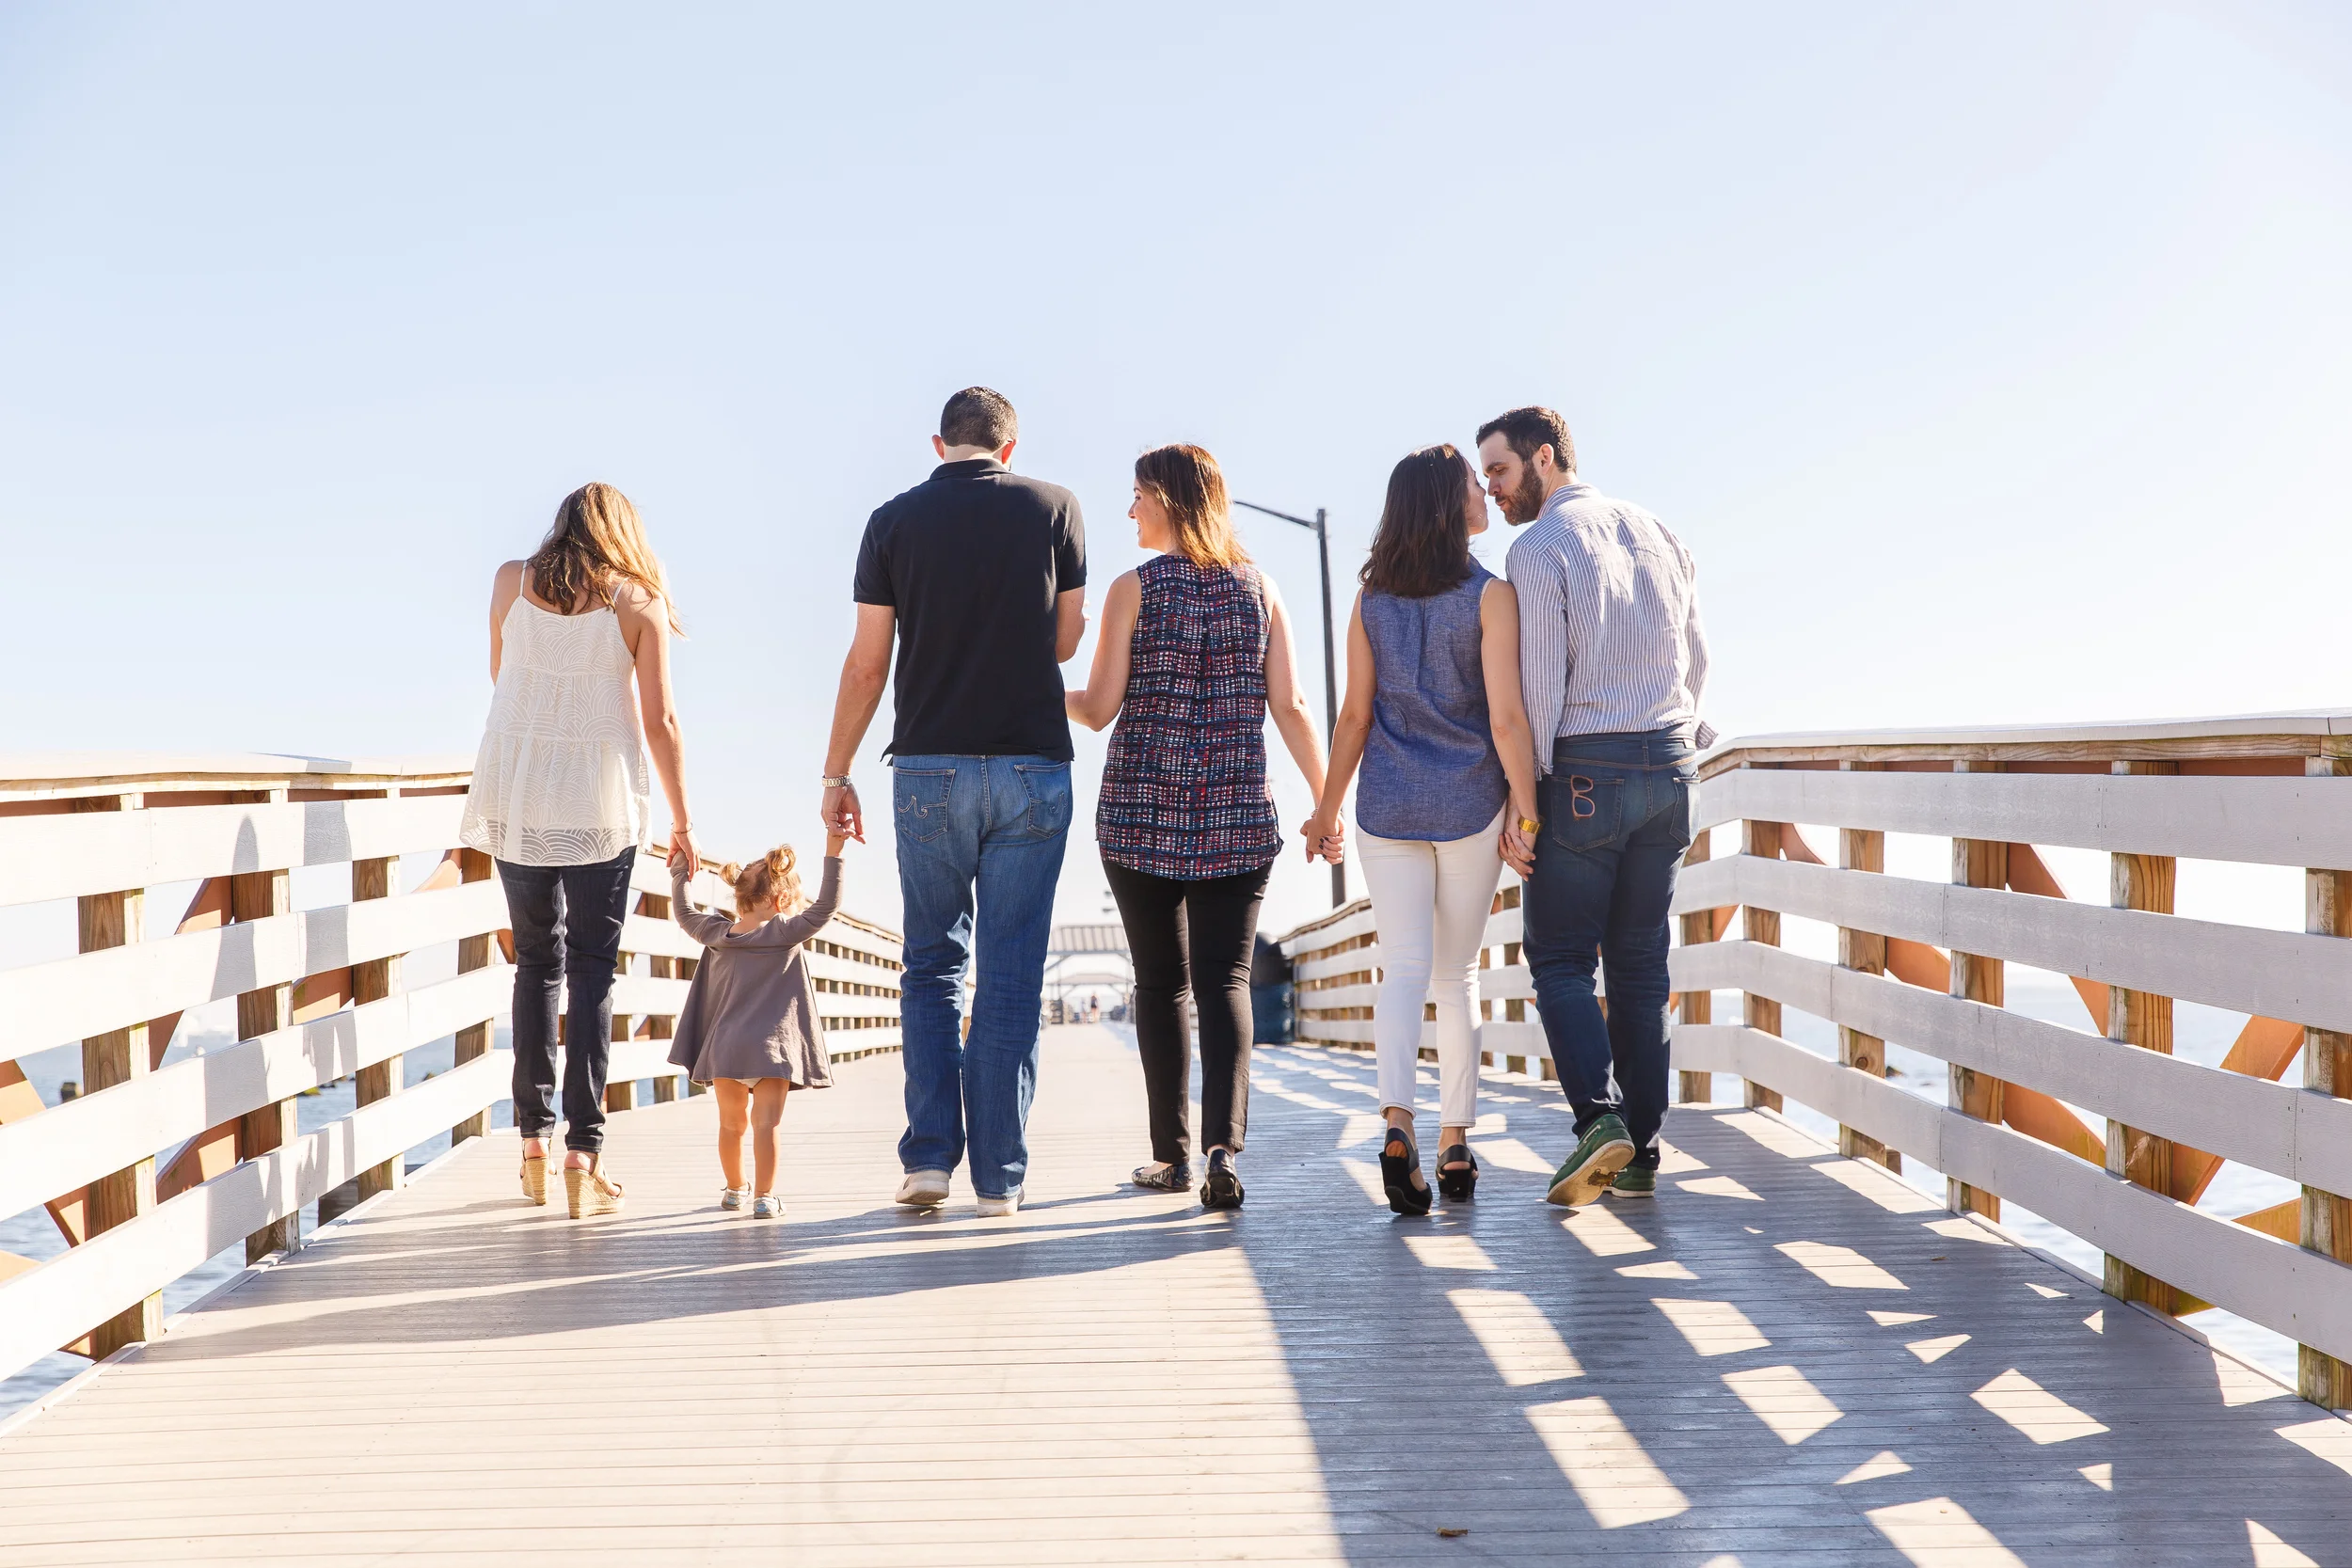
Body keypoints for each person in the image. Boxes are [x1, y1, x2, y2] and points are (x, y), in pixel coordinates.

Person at [820, 388, 1086, 1218]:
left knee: (932, 964)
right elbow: (1067, 640)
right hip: (1032, 765)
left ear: (940, 445)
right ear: (1009, 448)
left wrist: (835, 774)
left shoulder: (892, 521)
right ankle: (999, 1179)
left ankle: (930, 1159)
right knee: (1010, 970)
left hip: (926, 767)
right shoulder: (1056, 508)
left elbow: (867, 664)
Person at [1067, 444, 1329, 1211]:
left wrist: (1041, 692)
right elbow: (1293, 707)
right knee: (1226, 981)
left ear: (1172, 502)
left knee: (1162, 984)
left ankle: (1170, 1156)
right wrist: (1324, 803)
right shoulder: (1261, 588)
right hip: (1239, 817)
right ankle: (1223, 1151)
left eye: (1139, 496)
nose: (1130, 511)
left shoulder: (1132, 590)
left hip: (1141, 816)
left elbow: (1099, 706)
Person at [1476, 406, 1714, 1208]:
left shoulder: (1538, 548)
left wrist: (1526, 801)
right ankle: (1644, 1151)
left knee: (1560, 959)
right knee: (1643, 967)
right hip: (1671, 764)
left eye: (1502, 472)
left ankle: (1599, 1120)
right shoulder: (1661, 531)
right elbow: (1699, 658)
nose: (1494, 490)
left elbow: (1540, 685)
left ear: (1546, 458)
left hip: (1584, 769)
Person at [1301, 444, 1539, 1216]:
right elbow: (1506, 718)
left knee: (1403, 968)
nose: (1482, 491)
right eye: (1473, 483)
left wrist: (1327, 810)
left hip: (1388, 808)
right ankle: (1454, 1140)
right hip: (1469, 806)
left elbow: (1354, 717)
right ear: (1448, 503)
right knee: (1456, 976)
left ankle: (1397, 1123)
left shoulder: (1371, 599)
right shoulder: (1489, 594)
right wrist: (1525, 811)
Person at [459, 482, 697, 1220]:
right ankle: (582, 1153)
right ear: (623, 533)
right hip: (599, 798)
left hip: (521, 791)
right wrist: (684, 821)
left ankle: (531, 1139)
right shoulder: (638, 600)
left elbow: (503, 678)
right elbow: (659, 719)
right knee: (592, 968)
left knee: (536, 960)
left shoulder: (510, 581)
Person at [664, 837, 846, 1218]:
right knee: (767, 1126)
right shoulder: (783, 934)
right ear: (782, 903)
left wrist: (681, 870)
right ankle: (764, 1197)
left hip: (726, 1049)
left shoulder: (714, 933)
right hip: (772, 1052)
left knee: (731, 1126)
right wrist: (834, 852)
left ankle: (734, 1190)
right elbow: (827, 906)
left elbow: (683, 911)